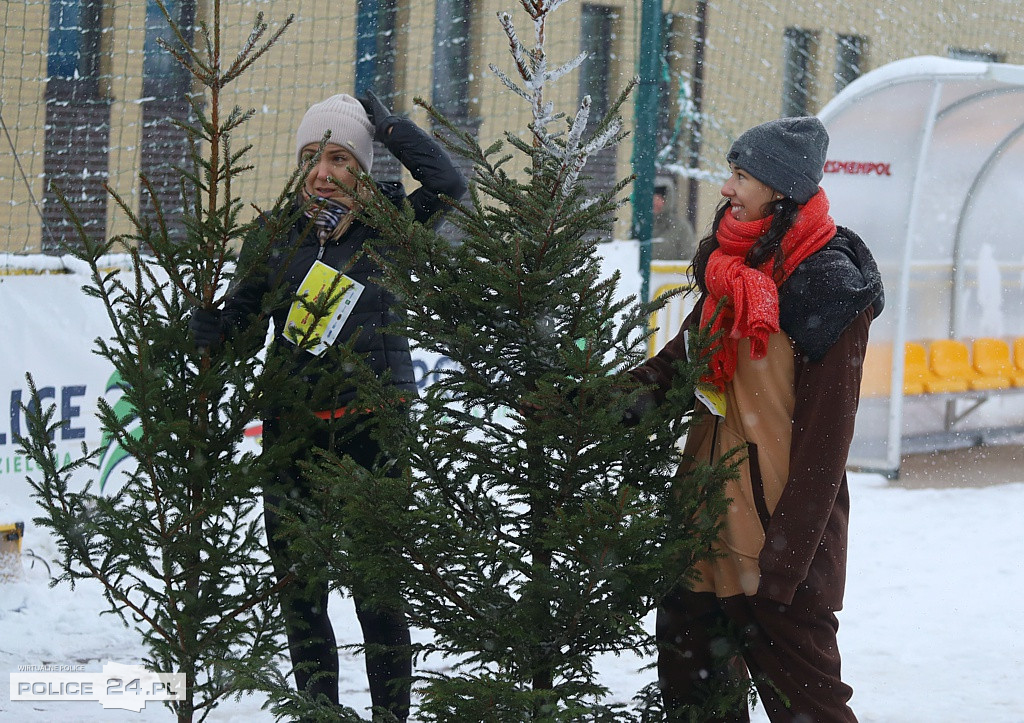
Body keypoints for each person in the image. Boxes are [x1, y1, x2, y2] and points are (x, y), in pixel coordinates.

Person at [190, 91, 467, 720]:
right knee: (303, 596)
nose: (323, 169)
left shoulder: (392, 223)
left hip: (375, 429)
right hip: (292, 438)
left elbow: (449, 182)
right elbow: (242, 322)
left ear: (362, 168)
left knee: (379, 594)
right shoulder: (274, 236)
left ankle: (390, 716)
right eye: (312, 155)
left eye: (339, 156)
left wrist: (390, 126)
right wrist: (210, 330)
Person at [629, 116, 883, 721]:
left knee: (809, 708)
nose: (725, 188)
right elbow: (673, 377)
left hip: (773, 552)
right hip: (701, 530)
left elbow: (825, 447)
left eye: (740, 175)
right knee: (694, 704)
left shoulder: (827, 288)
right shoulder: (730, 274)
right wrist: (576, 405)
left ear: (779, 187)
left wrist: (785, 567)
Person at [650, 175, 697, 261]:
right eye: (652, 198)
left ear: (668, 199)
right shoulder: (641, 227)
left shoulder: (681, 228)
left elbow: (687, 260)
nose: (655, 202)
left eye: (660, 198)